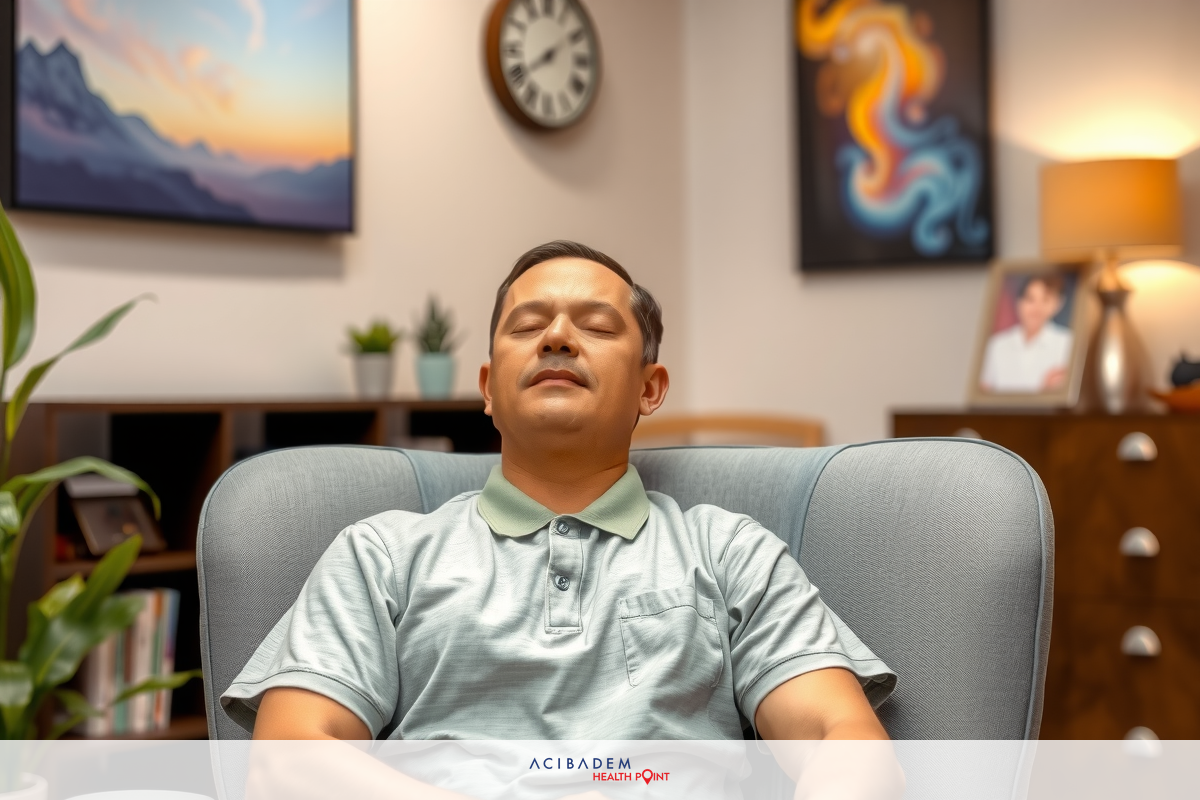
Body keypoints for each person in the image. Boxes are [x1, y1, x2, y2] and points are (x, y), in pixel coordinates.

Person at [222, 241, 895, 748]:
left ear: (649, 389)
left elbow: (843, 740)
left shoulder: (730, 552)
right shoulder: (381, 555)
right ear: (487, 388)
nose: (557, 338)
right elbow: (290, 760)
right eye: (527, 326)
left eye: (597, 327)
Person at [979, 274, 1073, 394]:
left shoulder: (1068, 343)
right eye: (1030, 299)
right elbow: (984, 390)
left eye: (1045, 300)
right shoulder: (996, 344)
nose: (1036, 308)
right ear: (1019, 302)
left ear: (1058, 304)